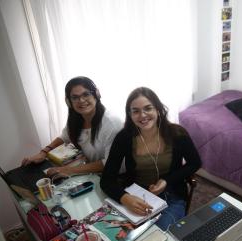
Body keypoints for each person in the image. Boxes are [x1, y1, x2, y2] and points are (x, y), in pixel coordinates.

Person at [100, 87, 201, 231]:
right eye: (135, 111)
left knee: (159, 235)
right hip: (136, 194)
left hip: (171, 194)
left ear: (158, 110)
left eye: (148, 108)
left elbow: (195, 163)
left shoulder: (177, 134)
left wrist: (166, 180)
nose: (142, 115)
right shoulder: (124, 137)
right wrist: (125, 198)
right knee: (116, 233)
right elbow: (106, 180)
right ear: (130, 115)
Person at [21, 76, 122, 176]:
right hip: (95, 174)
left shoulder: (112, 123)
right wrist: (42, 153)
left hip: (117, 176)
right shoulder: (77, 119)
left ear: (96, 94)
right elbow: (63, 137)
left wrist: (67, 170)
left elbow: (111, 163)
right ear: (69, 102)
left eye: (86, 94)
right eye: (75, 97)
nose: (81, 100)